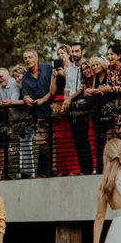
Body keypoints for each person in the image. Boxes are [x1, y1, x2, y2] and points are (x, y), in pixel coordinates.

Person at [22, 50, 55, 177]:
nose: (28, 60)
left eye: (30, 57)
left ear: (36, 58)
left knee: (55, 142)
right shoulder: (25, 77)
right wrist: (27, 99)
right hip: (39, 114)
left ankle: (51, 170)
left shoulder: (48, 69)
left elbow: (53, 89)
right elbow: (25, 94)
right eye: (25, 58)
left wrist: (43, 99)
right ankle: (45, 171)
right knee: (41, 143)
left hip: (54, 112)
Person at [63, 42, 95, 175]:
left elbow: (83, 87)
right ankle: (83, 169)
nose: (74, 54)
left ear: (83, 51)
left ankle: (89, 169)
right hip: (71, 108)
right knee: (77, 139)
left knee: (84, 138)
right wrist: (66, 101)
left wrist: (70, 98)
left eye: (77, 51)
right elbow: (67, 88)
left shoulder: (86, 67)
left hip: (84, 106)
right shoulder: (69, 69)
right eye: (72, 51)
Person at [0, 67, 33, 179]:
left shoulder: (26, 85)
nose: (17, 79)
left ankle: (28, 171)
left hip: (28, 118)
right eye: (16, 77)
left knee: (26, 143)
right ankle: (20, 171)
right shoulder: (18, 86)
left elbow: (21, 100)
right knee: (20, 145)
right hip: (16, 120)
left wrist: (11, 102)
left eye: (19, 76)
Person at [51, 45, 81, 176]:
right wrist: (53, 76)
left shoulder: (73, 69)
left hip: (70, 101)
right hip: (57, 104)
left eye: (62, 53)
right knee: (59, 138)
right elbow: (52, 91)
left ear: (69, 54)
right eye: (58, 53)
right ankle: (62, 169)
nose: (60, 55)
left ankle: (74, 168)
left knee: (70, 137)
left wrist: (65, 74)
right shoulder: (56, 70)